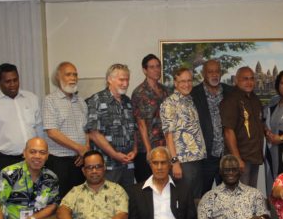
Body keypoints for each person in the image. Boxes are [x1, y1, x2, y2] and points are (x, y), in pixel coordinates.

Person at [0, 63, 43, 179]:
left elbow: (39, 127)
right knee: (8, 197)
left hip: (33, 158)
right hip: (6, 161)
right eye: (7, 82)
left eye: (15, 80)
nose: (12, 85)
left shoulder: (31, 98)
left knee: (36, 195)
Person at [85, 64, 137, 190]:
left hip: (128, 165)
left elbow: (134, 129)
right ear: (109, 79)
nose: (125, 83)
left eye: (127, 80)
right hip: (107, 165)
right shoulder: (96, 100)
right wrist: (114, 154)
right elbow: (93, 133)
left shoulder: (127, 101)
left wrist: (134, 150)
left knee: (128, 200)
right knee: (107, 203)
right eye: (121, 80)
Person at [43, 61, 89, 197]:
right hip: (59, 162)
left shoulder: (81, 101)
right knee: (60, 201)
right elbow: (52, 132)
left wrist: (85, 150)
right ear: (58, 77)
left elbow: (87, 130)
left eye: (75, 74)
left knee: (79, 201)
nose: (73, 78)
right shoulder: (50, 100)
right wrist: (78, 148)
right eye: (68, 74)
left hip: (79, 161)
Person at [161, 67, 207, 197]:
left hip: (196, 159)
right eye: (182, 81)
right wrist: (175, 162)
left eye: (189, 81)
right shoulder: (169, 103)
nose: (186, 84)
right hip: (183, 162)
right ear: (175, 83)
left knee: (196, 200)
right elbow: (168, 136)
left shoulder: (190, 101)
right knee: (183, 201)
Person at [191, 59, 233, 194]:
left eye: (217, 71)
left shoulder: (230, 92)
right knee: (203, 196)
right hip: (205, 156)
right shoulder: (193, 94)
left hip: (226, 154)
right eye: (210, 72)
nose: (214, 75)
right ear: (204, 73)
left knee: (228, 195)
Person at [220, 66, 265, 188]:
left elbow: (259, 124)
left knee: (250, 195)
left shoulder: (254, 99)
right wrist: (237, 159)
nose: (249, 82)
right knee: (239, 199)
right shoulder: (231, 100)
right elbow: (228, 131)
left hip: (253, 156)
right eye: (245, 79)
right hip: (240, 158)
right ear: (236, 80)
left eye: (251, 79)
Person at [132, 54, 169, 185]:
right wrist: (149, 150)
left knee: (165, 185)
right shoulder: (139, 92)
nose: (156, 70)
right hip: (147, 150)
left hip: (164, 148)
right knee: (147, 187)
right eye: (152, 67)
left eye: (158, 66)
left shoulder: (165, 90)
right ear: (145, 70)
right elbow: (141, 124)